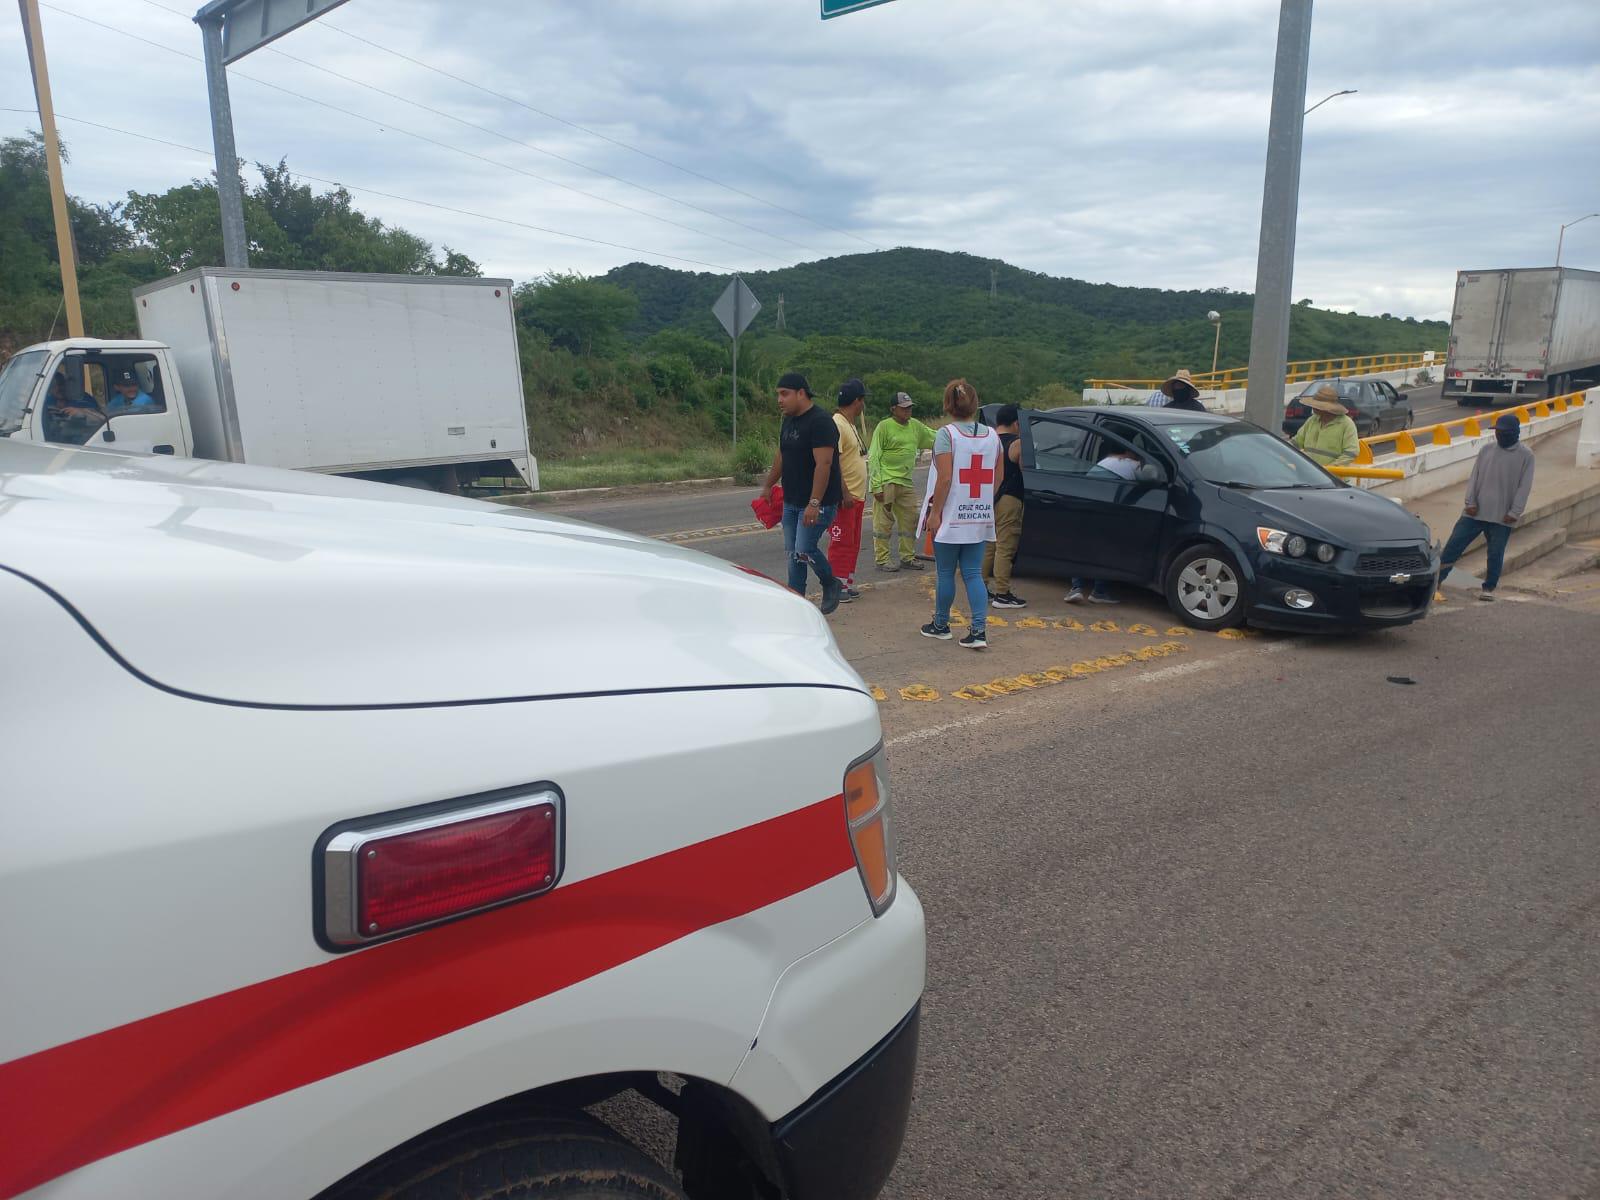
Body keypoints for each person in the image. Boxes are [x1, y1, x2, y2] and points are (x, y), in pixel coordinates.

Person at [919, 379, 1001, 650]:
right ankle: (978, 631)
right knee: (973, 573)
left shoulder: (947, 435)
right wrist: (982, 503)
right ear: (975, 404)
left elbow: (944, 479)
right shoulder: (993, 436)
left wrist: (935, 514)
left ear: (948, 405)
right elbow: (997, 478)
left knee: (945, 572)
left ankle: (941, 625)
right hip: (979, 517)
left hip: (951, 516)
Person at [759, 372, 844, 614]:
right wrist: (768, 485)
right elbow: (782, 455)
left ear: (801, 393)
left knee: (804, 549)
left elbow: (824, 464)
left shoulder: (821, 422)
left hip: (819, 502)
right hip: (791, 500)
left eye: (784, 394)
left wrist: (814, 503)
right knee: (793, 554)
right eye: (778, 394)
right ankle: (796, 604)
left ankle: (830, 582)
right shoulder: (788, 420)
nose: (779, 399)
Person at [1436, 414, 1535, 601]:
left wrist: (1515, 512)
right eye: (1497, 431)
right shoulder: (1486, 450)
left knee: (1495, 553)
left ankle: (1488, 588)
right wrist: (1470, 502)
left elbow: (1525, 487)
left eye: (1503, 432)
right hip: (1474, 513)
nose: (1499, 435)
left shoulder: (1526, 456)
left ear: (1514, 433)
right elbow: (1474, 477)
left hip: (1503, 516)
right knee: (1453, 547)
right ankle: (1436, 580)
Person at [867, 392, 937, 571]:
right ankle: (882, 560)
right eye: (904, 408)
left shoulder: (915, 426)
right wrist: (876, 485)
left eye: (910, 407)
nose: (908, 411)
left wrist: (955, 435)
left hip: (906, 481)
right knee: (883, 523)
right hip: (887, 481)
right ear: (893, 409)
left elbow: (934, 437)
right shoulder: (884, 427)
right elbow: (873, 456)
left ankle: (907, 557)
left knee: (910, 520)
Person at [1064, 445, 1143, 605]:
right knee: (1106, 549)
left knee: (1083, 547)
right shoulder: (1134, 465)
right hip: (1107, 510)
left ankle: (1076, 588)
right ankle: (1099, 591)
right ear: (1131, 452)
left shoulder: (1105, 461)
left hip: (1085, 506)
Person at [981, 403, 1027, 608]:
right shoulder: (1017, 444)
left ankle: (981, 587)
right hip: (1009, 498)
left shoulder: (986, 441)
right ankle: (1002, 593)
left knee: (988, 545)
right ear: (1016, 423)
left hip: (987, 497)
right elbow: (1026, 471)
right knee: (1005, 546)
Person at [827, 379, 869, 602]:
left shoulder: (849, 423)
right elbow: (833, 463)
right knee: (841, 542)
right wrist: (843, 492)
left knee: (853, 542)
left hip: (857, 495)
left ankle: (847, 581)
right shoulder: (838, 424)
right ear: (857, 401)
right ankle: (836, 586)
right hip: (846, 496)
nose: (863, 405)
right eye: (862, 400)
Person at [1292, 383, 1359, 466]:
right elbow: (1296, 442)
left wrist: (1330, 468)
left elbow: (1351, 452)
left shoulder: (1346, 424)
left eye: (1316, 405)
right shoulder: (1312, 420)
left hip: (1332, 473)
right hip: (1309, 471)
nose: (1313, 407)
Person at [42, 372, 104, 444]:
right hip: (53, 441)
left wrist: (82, 412)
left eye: (61, 384)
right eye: (54, 386)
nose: (58, 388)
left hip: (84, 441)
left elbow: (102, 419)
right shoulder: (45, 401)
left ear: (67, 384)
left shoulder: (83, 399)